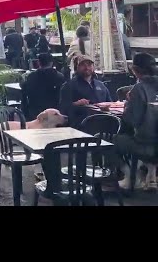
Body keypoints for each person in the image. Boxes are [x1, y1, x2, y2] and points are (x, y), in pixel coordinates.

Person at [114, 53, 158, 190]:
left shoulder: (139, 89)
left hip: (146, 145)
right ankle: (149, 173)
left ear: (135, 70)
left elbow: (132, 120)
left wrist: (128, 102)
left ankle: (130, 175)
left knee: (104, 140)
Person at [59, 54, 112, 127]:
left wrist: (107, 107)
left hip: (103, 123)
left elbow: (110, 103)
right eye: (83, 65)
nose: (87, 67)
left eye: (89, 65)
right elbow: (63, 108)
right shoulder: (69, 86)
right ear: (76, 67)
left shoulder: (101, 85)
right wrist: (76, 104)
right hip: (82, 125)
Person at [20, 53, 66, 121]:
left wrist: (26, 113)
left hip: (34, 113)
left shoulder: (31, 77)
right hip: (54, 113)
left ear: (38, 62)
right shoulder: (59, 77)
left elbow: (24, 94)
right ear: (51, 63)